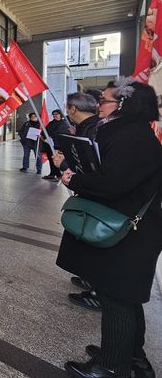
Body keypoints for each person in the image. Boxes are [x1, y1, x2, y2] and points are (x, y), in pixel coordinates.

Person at [58, 79, 162, 378]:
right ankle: (133, 358)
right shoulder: (135, 132)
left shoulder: (130, 136)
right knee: (126, 297)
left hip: (130, 231)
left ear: (123, 104)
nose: (98, 105)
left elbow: (112, 183)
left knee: (117, 298)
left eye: (104, 100)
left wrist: (75, 180)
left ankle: (111, 366)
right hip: (134, 228)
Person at [52, 92, 102, 312]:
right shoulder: (90, 128)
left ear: (73, 109)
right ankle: (90, 277)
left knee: (91, 240)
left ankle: (97, 288)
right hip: (90, 196)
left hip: (95, 200)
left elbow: (89, 169)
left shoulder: (94, 131)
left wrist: (64, 165)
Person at [41, 109, 70, 180]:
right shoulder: (51, 123)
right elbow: (45, 131)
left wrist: (51, 137)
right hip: (49, 144)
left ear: (60, 115)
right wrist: (43, 137)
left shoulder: (64, 123)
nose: (55, 116)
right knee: (51, 159)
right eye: (53, 114)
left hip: (58, 146)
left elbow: (61, 134)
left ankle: (59, 175)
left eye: (56, 114)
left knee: (58, 160)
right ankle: (52, 173)